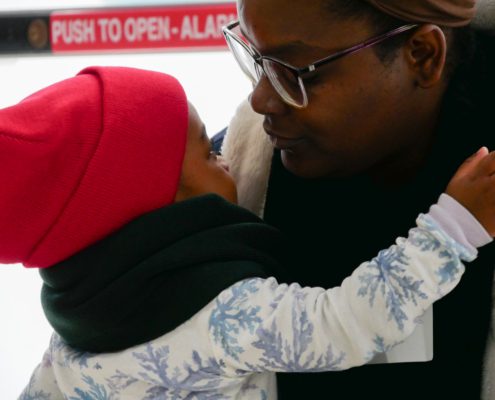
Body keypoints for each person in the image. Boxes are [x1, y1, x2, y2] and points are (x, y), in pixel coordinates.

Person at [4, 66, 494, 399]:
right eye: (209, 151)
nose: (228, 156)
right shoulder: (222, 316)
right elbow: (347, 323)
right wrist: (452, 228)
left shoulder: (77, 332)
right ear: (163, 203)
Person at [213, 0, 495, 398]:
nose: (261, 100)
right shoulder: (234, 178)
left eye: (296, 73)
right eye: (258, 59)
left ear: (422, 55)